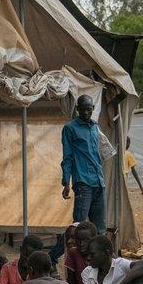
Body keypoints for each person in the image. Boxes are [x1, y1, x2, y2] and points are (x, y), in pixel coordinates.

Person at [61, 95, 106, 233]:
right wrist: (66, 183)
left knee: (100, 227)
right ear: (77, 109)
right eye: (82, 110)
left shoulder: (94, 127)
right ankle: (57, 255)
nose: (85, 113)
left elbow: (97, 155)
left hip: (99, 182)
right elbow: (67, 157)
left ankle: (101, 254)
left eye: (88, 109)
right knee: (78, 226)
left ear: (93, 108)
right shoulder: (70, 128)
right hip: (83, 183)